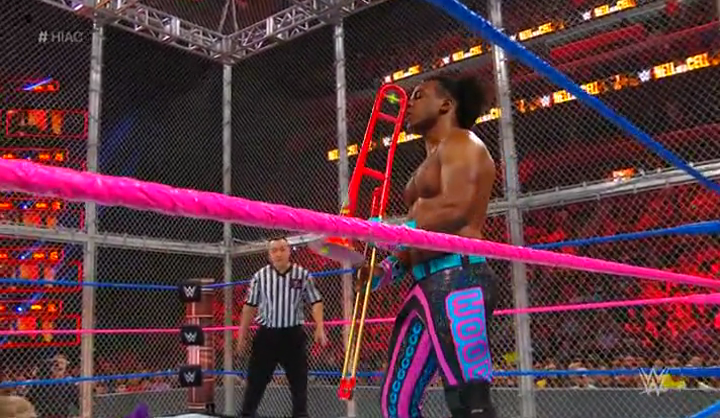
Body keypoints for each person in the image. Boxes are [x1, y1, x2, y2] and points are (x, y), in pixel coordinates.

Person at [361, 75, 498, 418]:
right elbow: (418, 237)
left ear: (446, 104)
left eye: (419, 95)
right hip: (425, 285)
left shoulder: (462, 143)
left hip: (459, 277)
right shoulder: (430, 160)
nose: (408, 103)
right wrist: (385, 270)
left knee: (468, 400)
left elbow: (456, 210)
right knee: (397, 402)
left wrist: (394, 232)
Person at [236, 236, 328, 418]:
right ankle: (247, 414)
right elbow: (249, 307)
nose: (278, 254)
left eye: (282, 249)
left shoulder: (302, 275)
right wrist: (242, 336)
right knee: (256, 380)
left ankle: (300, 415)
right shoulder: (260, 277)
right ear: (269, 255)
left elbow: (316, 301)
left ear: (289, 252)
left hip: (292, 335)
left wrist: (320, 326)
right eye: (274, 250)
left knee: (299, 381)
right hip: (267, 335)